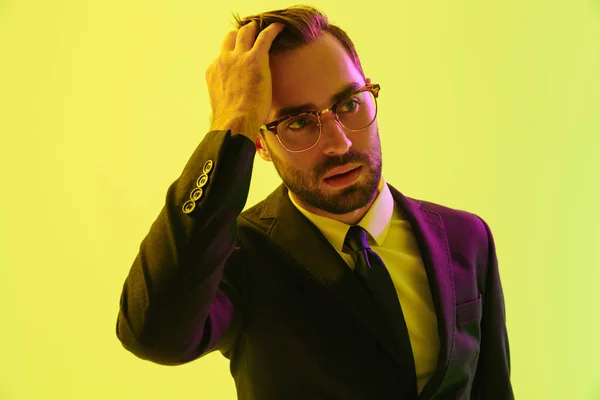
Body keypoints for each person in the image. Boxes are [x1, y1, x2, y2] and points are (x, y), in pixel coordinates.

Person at [116, 5, 514, 399]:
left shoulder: (466, 237)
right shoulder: (240, 256)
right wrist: (231, 122)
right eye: (299, 122)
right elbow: (154, 334)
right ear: (261, 144)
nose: (339, 142)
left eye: (349, 104)